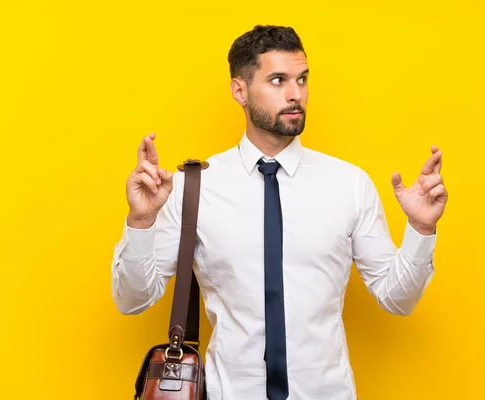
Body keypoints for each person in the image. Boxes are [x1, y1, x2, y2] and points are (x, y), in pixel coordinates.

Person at [111, 24, 448, 400]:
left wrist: (420, 229)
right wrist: (140, 221)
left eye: (302, 80)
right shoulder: (194, 187)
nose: (295, 94)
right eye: (278, 80)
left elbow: (396, 298)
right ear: (240, 90)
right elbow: (132, 299)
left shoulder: (348, 184)